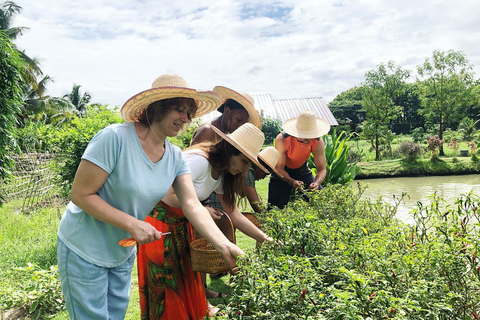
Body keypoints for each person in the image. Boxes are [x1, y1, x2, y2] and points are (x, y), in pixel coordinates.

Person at [56, 74, 244, 320]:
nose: (185, 119)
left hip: (122, 252)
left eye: (189, 113)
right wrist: (133, 224)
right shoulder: (115, 138)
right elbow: (81, 194)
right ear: (157, 107)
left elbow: (191, 204)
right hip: (84, 248)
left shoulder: (175, 157)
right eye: (179, 109)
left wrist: (224, 245)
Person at [137, 123, 274, 319]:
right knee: (168, 286)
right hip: (161, 225)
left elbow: (234, 213)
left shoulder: (220, 173)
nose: (245, 169)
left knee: (186, 280)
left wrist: (263, 237)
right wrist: (203, 209)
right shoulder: (200, 162)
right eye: (244, 161)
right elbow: (167, 195)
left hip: (183, 224)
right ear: (230, 152)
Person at [268, 110, 330, 210]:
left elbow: (322, 169)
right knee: (274, 208)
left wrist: (317, 183)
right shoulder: (282, 139)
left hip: (302, 170)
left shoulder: (318, 141)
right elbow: (279, 167)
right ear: (295, 133)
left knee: (320, 202)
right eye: (305, 136)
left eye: (311, 135)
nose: (308, 140)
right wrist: (291, 181)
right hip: (281, 172)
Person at [190, 86, 261, 143]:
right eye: (238, 120)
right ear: (227, 111)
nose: (239, 126)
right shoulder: (208, 131)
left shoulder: (223, 132)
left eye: (243, 124)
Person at [244, 146, 283, 214]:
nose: (263, 178)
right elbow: (256, 205)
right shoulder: (248, 172)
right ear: (260, 167)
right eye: (265, 174)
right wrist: (269, 219)